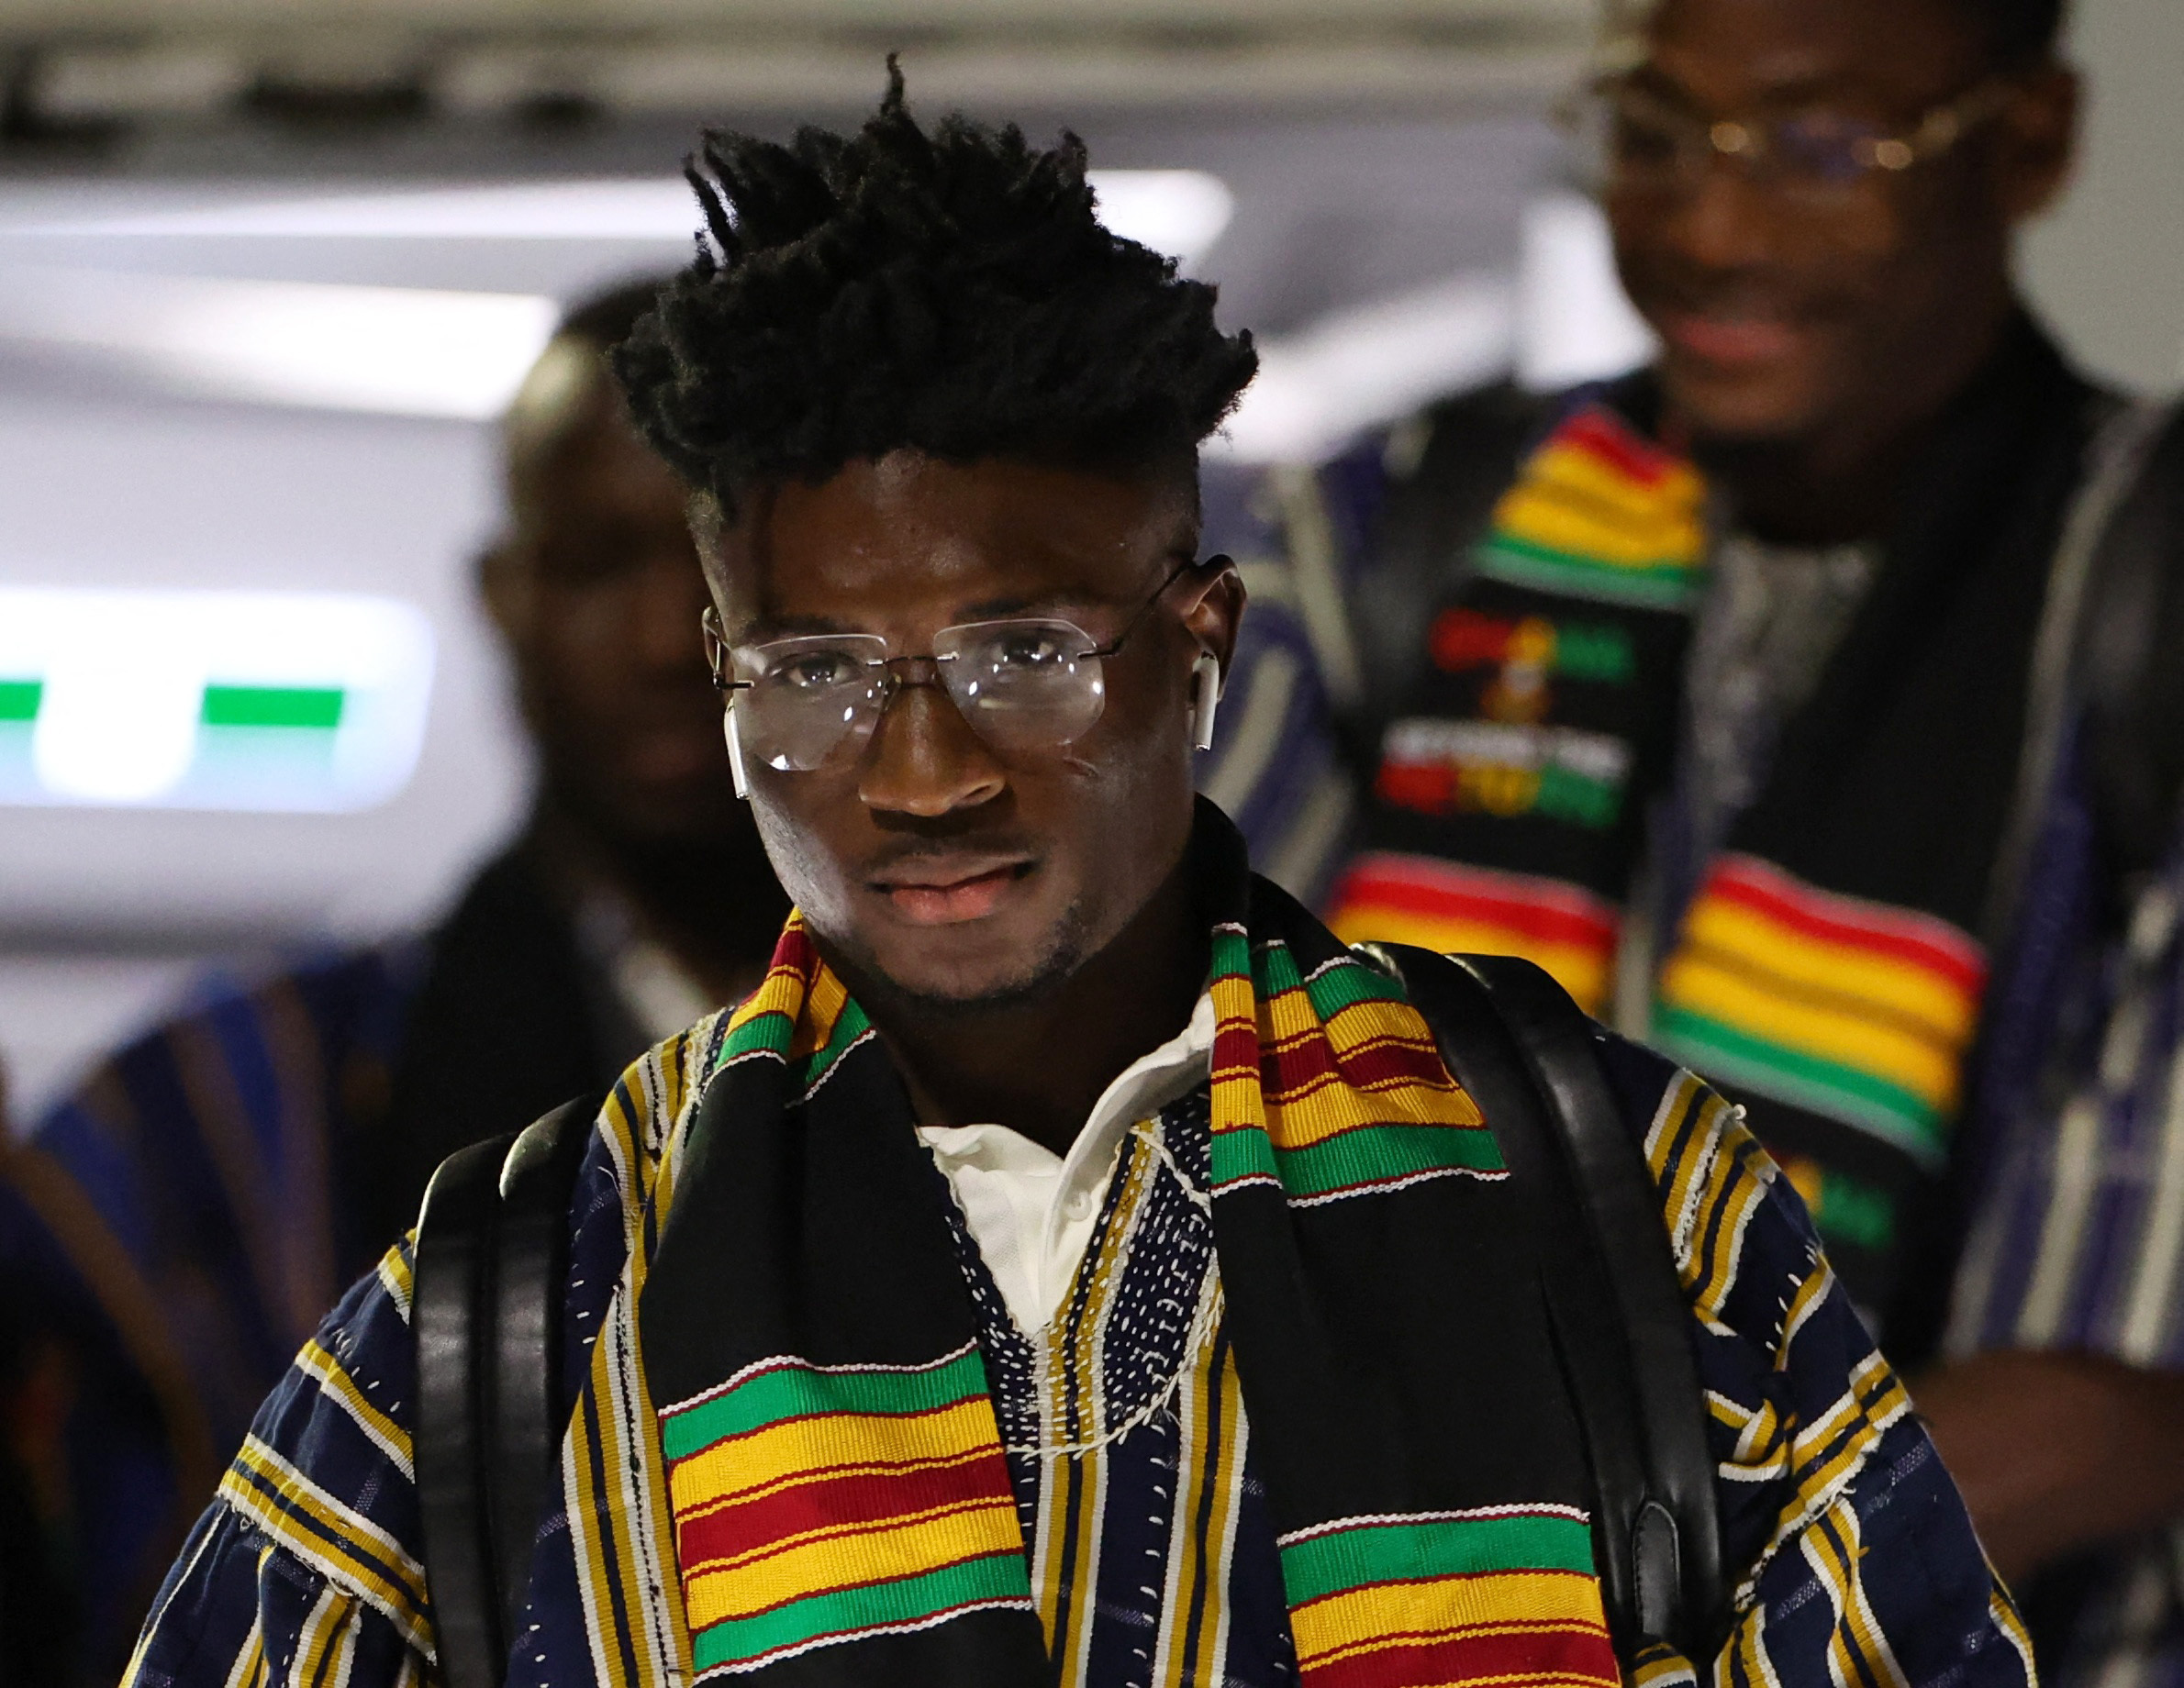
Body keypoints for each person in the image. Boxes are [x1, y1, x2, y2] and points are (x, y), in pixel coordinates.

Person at [124, 75, 2029, 1688]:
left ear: (1199, 645)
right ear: (723, 680)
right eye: (812, 673)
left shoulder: (1606, 1193)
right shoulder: (511, 1303)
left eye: (1021, 649)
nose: (923, 769)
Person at [1238, 0, 2184, 1671]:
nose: (1712, 232)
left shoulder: (2146, 591)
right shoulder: (1389, 533)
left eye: (1826, 149)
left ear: (2031, 143)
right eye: (1659, 135)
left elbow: (2099, 1412)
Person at [0, 280, 787, 1682]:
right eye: (605, 563)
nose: (675, 639)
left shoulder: (1023, 1071)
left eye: (727, 566)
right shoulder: (206, 1127)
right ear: (507, 596)